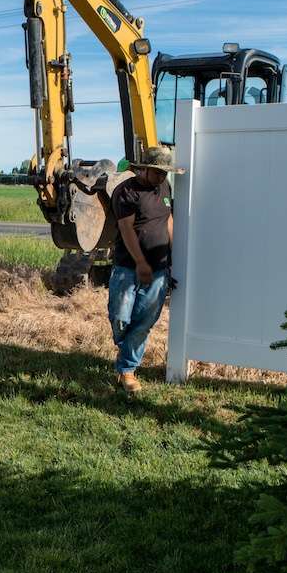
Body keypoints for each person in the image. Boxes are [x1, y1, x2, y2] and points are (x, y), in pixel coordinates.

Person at [108, 146, 182, 393]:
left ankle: (127, 370)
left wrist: (175, 256)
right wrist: (140, 262)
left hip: (159, 268)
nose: (162, 177)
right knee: (120, 317)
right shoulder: (126, 191)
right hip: (128, 267)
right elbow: (127, 229)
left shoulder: (164, 187)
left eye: (165, 173)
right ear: (144, 169)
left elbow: (168, 220)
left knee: (145, 321)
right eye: (158, 172)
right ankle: (127, 347)